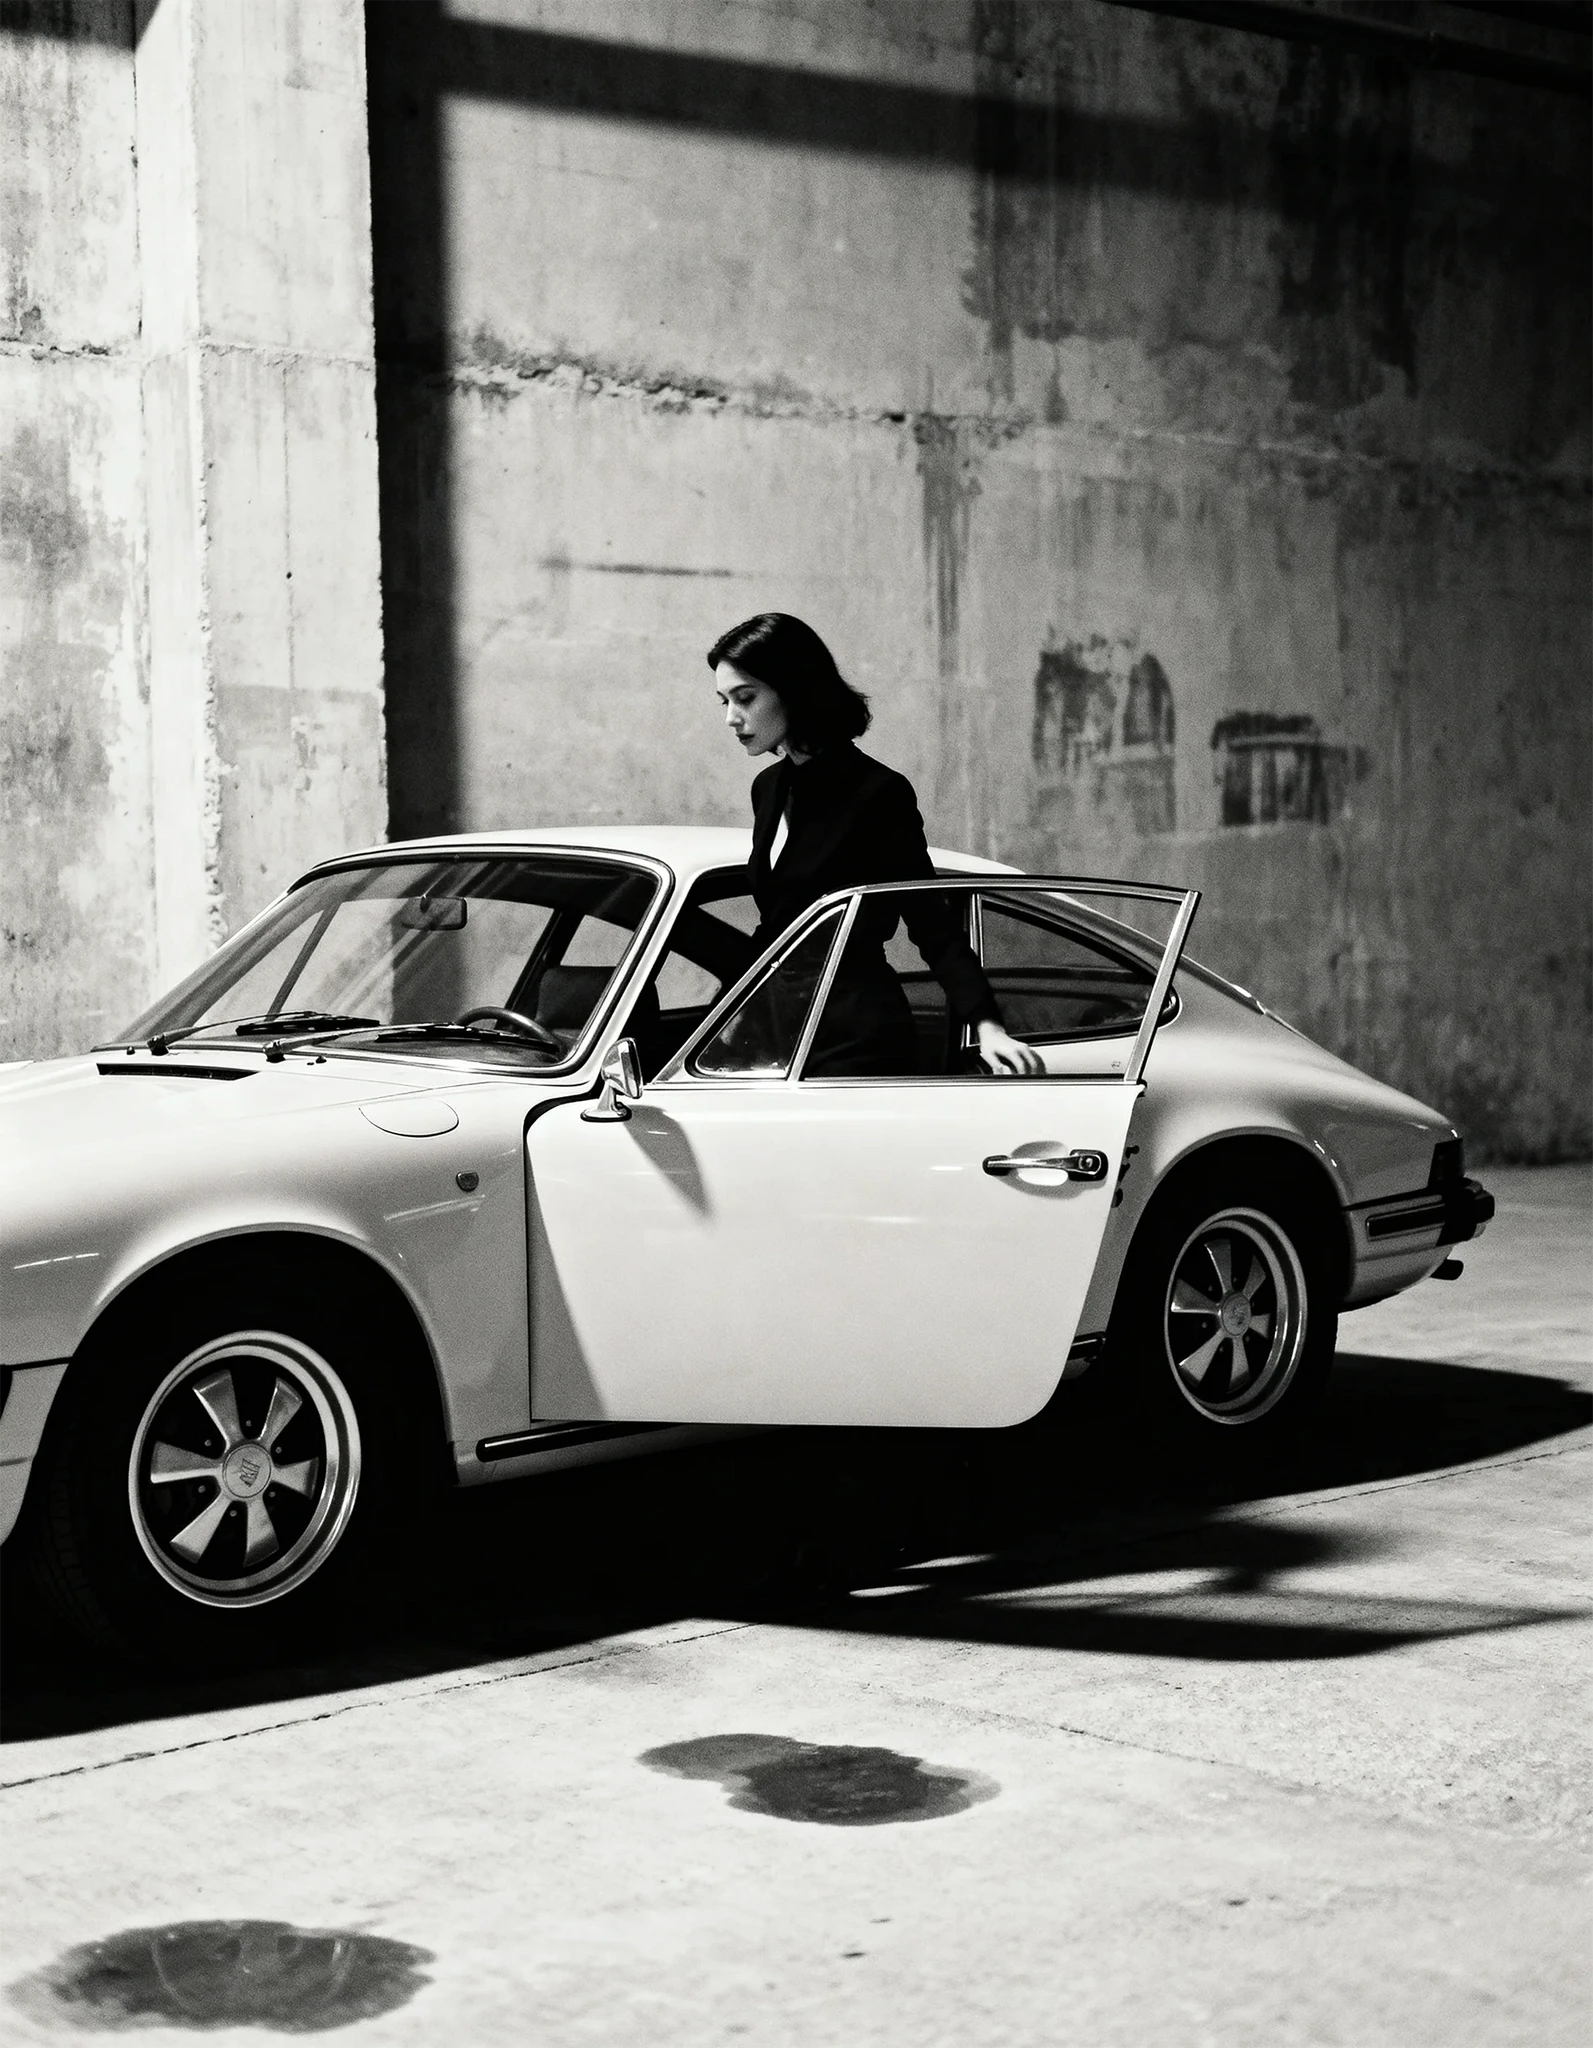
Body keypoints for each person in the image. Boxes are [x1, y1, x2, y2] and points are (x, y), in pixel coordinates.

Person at [708, 613, 1043, 1078]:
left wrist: (988, 1026)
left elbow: (931, 924)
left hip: (855, 1036)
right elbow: (776, 927)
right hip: (779, 1030)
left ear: (794, 690)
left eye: (745, 698)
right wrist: (732, 1011)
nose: (731, 717)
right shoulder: (768, 788)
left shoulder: (877, 793)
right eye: (724, 701)